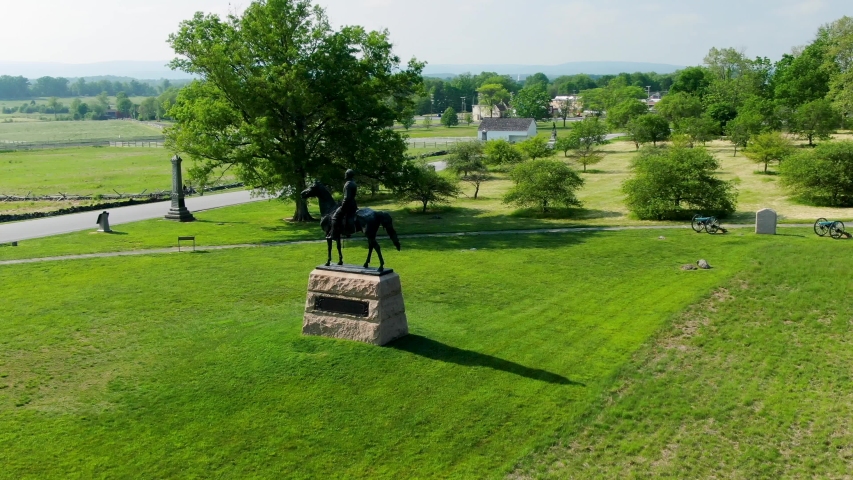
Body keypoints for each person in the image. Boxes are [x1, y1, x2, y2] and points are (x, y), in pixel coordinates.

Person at [328, 169, 359, 239]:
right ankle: (347, 232)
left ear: (347, 175)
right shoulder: (353, 182)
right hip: (353, 204)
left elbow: (347, 197)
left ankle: (333, 234)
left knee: (335, 216)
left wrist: (342, 205)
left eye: (346, 174)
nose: (345, 175)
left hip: (347, 205)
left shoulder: (348, 184)